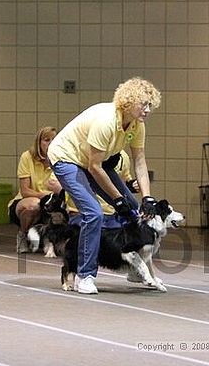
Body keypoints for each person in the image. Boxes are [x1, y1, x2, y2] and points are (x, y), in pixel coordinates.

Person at [47, 76, 161, 294]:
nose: (147, 110)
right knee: (94, 213)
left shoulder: (137, 125)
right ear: (128, 102)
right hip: (66, 158)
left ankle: (134, 267)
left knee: (134, 208)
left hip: (92, 162)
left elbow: (139, 161)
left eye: (150, 105)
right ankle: (85, 276)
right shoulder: (106, 120)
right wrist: (116, 199)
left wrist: (148, 198)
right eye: (143, 104)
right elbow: (94, 167)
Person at [8, 126, 61, 253]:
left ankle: (54, 241)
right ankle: (23, 234)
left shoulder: (61, 159)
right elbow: (25, 190)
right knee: (34, 205)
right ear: (39, 142)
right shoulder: (27, 157)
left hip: (52, 200)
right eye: (46, 140)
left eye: (54, 140)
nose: (50, 144)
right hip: (28, 199)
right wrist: (45, 196)